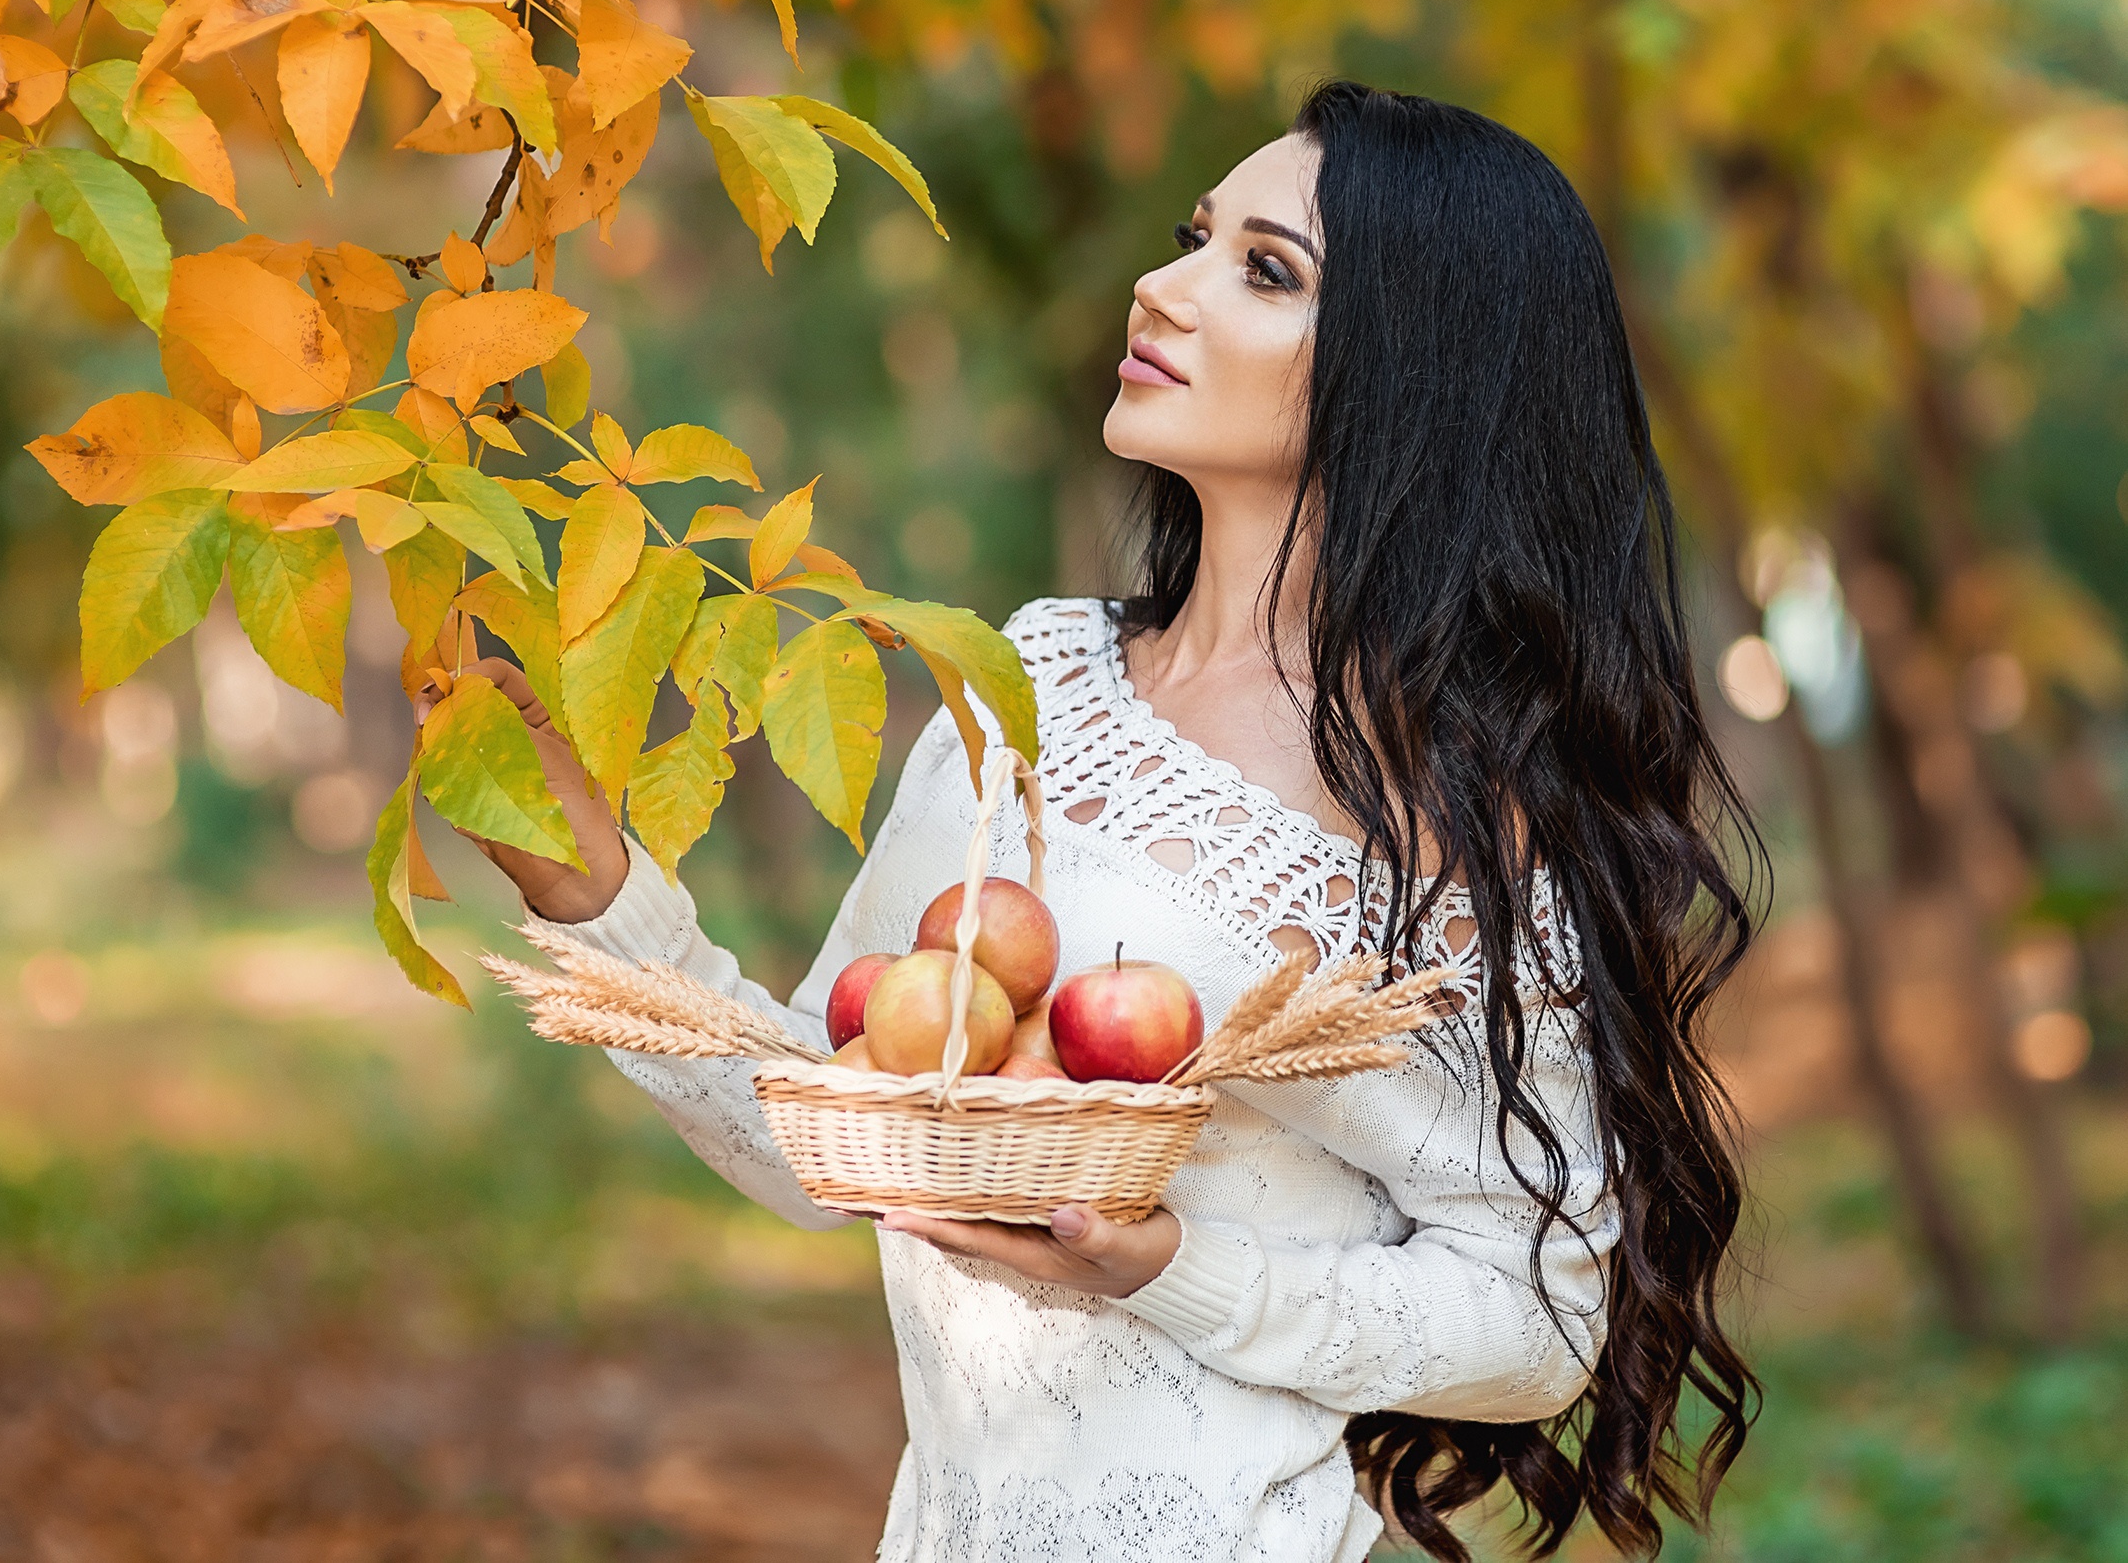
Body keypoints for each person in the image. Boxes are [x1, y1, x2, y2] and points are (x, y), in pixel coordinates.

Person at [446, 81, 1762, 1561]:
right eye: (1196, 237)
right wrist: (592, 885)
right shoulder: (1032, 680)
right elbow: (818, 1129)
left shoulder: (1441, 818)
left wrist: (1172, 1267)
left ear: (1415, 375)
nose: (1165, 284)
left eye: (1265, 270)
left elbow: (1538, 1309)